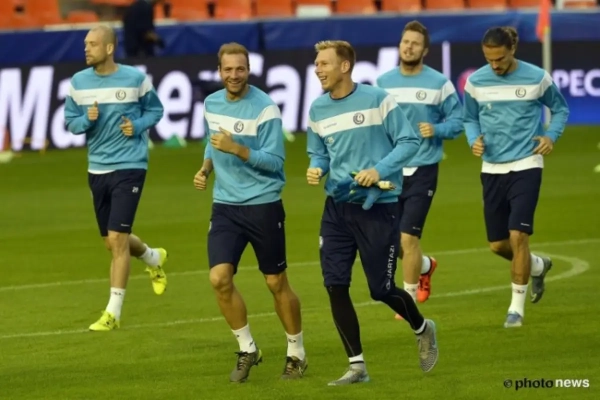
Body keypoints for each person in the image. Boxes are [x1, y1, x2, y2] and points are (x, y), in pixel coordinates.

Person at [306, 40, 439, 386]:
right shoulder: (317, 109)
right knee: (335, 285)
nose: (318, 69)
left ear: (345, 66)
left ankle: (422, 328)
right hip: (336, 209)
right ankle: (357, 366)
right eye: (316, 64)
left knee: (380, 290)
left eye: (324, 63)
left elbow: (409, 141)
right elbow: (319, 152)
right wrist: (316, 167)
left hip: (378, 209)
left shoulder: (378, 99)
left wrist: (378, 170)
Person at [193, 42, 307, 383]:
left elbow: (275, 162)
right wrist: (205, 168)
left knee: (276, 282)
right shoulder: (211, 104)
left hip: (263, 204)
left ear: (249, 70)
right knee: (219, 278)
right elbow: (212, 141)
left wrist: (238, 149)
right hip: (225, 206)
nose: (234, 75)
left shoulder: (265, 109)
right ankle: (247, 349)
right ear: (219, 71)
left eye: (240, 69)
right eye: (228, 69)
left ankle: (296, 353)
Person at [463, 26, 570, 328]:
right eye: (489, 59)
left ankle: (516, 310)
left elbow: (560, 109)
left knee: (518, 236)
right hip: (492, 168)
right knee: (498, 245)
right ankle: (537, 265)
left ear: (512, 50)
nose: (494, 65)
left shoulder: (537, 77)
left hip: (527, 163)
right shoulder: (475, 81)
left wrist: (550, 136)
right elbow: (469, 117)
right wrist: (473, 139)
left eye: (499, 59)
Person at [64, 26, 167, 332]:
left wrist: (138, 126)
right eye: (85, 44)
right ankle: (153, 258)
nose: (86, 48)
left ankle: (113, 313)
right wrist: (86, 120)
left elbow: (155, 110)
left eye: (93, 44)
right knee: (111, 242)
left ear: (109, 48)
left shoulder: (135, 79)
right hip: (97, 169)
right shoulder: (78, 82)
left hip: (130, 166)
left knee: (118, 239)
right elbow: (71, 123)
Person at [376, 21, 463, 320]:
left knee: (407, 239)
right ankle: (425, 266)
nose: (409, 47)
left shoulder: (439, 83)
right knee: (389, 240)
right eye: (405, 42)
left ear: (425, 50)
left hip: (423, 168)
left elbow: (458, 121)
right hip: (391, 170)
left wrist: (437, 129)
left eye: (415, 43)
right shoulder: (383, 82)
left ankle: (408, 302)